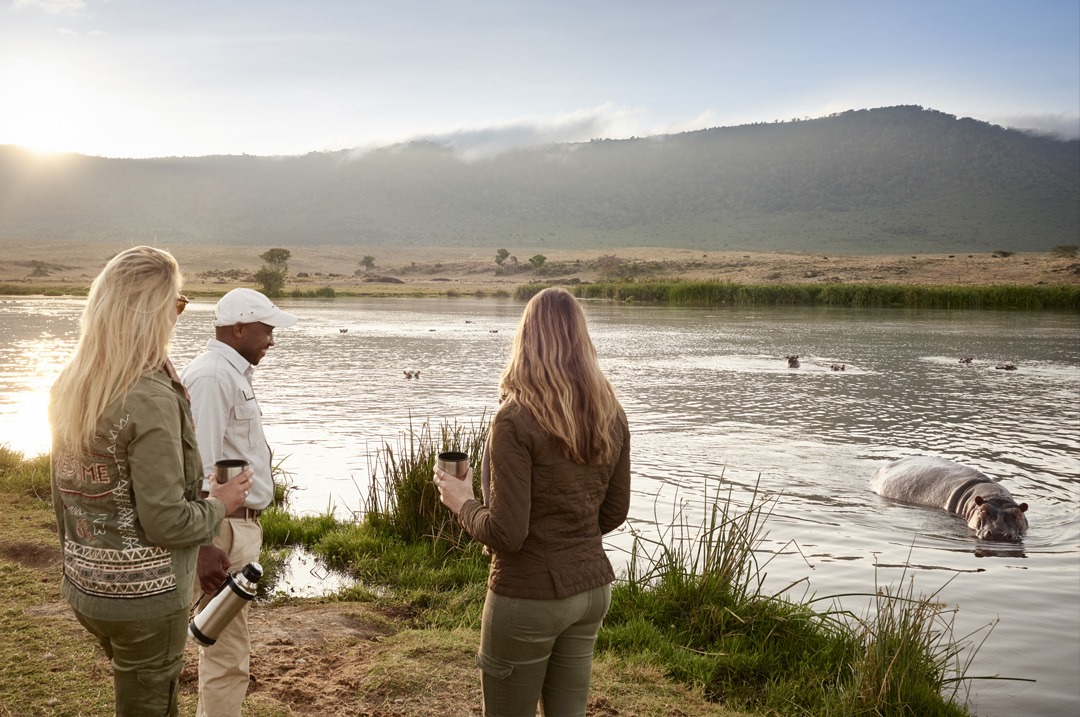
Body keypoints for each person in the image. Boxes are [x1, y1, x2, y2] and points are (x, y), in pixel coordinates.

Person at [49, 246, 252, 717]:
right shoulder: (150, 398)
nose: (177, 317)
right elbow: (166, 522)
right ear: (153, 311)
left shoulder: (72, 384)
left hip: (86, 588)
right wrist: (221, 503)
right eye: (177, 304)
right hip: (146, 600)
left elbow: (66, 497)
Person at [434, 287, 632, 716]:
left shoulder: (514, 419)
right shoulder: (611, 413)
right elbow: (614, 512)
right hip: (591, 591)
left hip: (528, 597)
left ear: (526, 340)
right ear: (582, 340)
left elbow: (508, 534)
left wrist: (463, 502)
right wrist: (569, 536)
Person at [180, 287, 298, 717]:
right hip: (221, 529)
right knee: (225, 652)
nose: (272, 340)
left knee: (222, 644)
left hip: (232, 526)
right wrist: (203, 543)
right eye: (267, 330)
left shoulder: (228, 374)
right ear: (240, 329)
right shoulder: (213, 377)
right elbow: (198, 467)